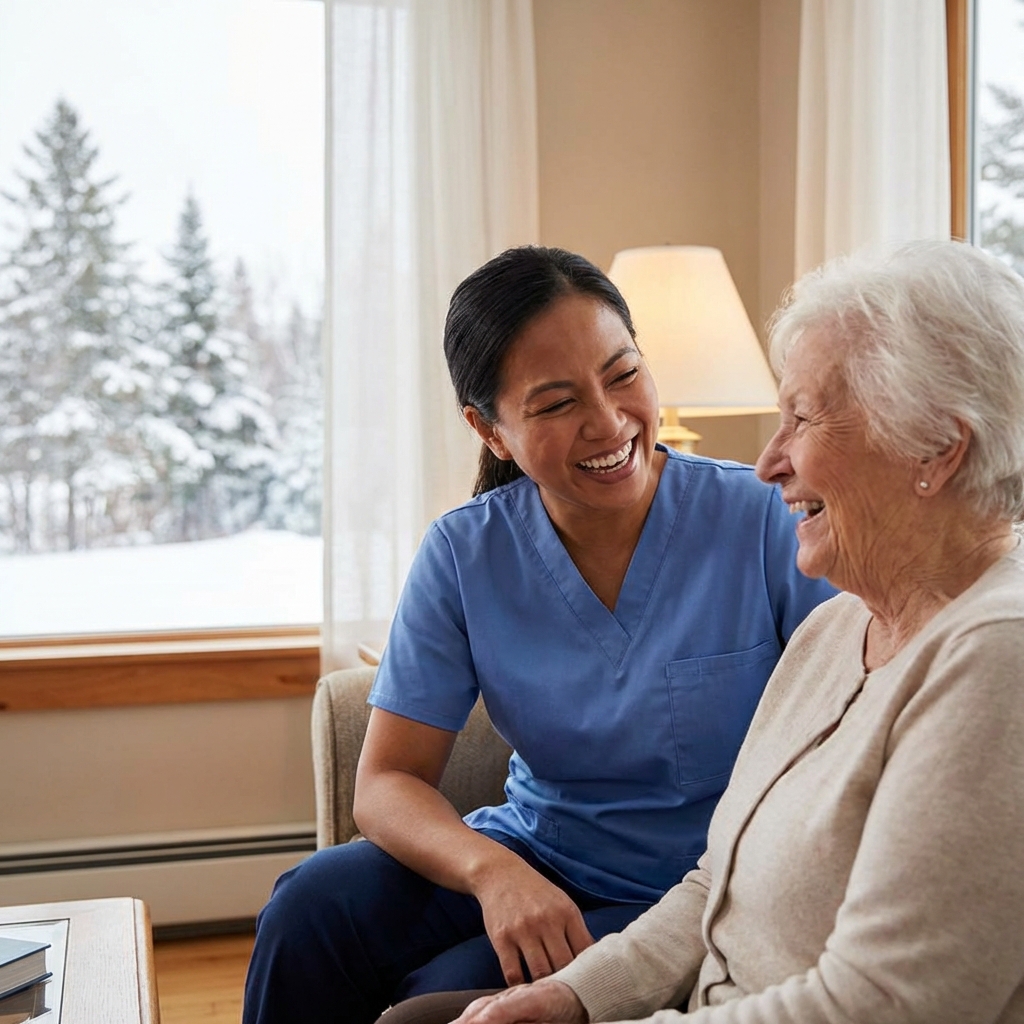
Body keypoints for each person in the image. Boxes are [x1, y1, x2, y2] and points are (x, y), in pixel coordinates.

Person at [242, 247, 835, 1024]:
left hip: (692, 891)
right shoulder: (466, 552)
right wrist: (493, 872)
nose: (607, 420)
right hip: (535, 854)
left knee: (436, 997)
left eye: (622, 374)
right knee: (310, 906)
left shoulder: (761, 520)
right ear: (489, 430)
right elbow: (387, 783)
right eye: (555, 403)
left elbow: (839, 739)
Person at [446, 239, 1024, 1024]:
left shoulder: (996, 659)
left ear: (935, 449)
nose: (767, 463)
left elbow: (884, 1005)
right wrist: (573, 997)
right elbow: (716, 882)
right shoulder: (837, 626)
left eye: (802, 420)